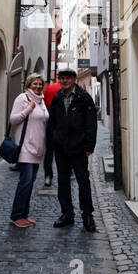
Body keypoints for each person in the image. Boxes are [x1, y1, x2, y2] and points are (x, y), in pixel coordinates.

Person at [46, 68, 98, 231]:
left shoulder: (84, 98)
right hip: (61, 148)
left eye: (68, 78)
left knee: (83, 182)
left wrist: (89, 146)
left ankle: (87, 215)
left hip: (79, 148)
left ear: (74, 79)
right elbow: (52, 122)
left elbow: (91, 123)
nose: (65, 81)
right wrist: (53, 141)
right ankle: (67, 213)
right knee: (63, 182)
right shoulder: (57, 98)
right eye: (62, 78)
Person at [6, 74, 49, 228]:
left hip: (37, 148)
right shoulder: (22, 98)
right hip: (25, 147)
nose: (37, 86)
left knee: (30, 183)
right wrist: (27, 110)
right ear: (29, 85)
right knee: (25, 182)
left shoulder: (41, 101)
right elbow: (13, 119)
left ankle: (24, 214)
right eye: (34, 84)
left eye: (40, 84)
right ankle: (16, 215)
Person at [41, 78, 62, 186]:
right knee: (63, 151)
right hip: (62, 125)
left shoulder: (49, 88)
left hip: (50, 124)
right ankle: (66, 172)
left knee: (49, 152)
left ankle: (48, 176)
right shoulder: (63, 88)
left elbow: (44, 104)